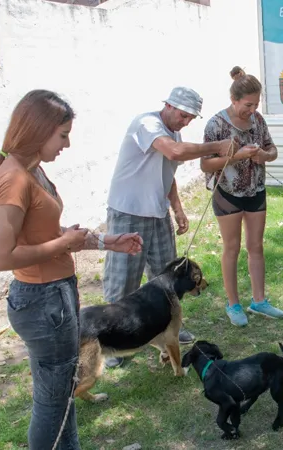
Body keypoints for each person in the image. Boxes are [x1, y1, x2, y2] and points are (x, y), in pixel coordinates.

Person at [0, 90, 143, 449]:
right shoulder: (14, 179)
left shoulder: (33, 171)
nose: (67, 144)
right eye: (62, 135)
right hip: (43, 303)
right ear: (38, 131)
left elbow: (54, 234)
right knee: (53, 404)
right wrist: (63, 244)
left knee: (62, 396)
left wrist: (107, 242)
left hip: (54, 298)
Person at [103, 86, 233, 367]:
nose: (185, 122)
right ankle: (113, 341)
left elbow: (167, 172)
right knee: (123, 279)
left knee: (168, 277)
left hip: (157, 213)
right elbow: (174, 153)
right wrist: (216, 146)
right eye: (184, 116)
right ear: (169, 106)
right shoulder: (147, 124)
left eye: (190, 119)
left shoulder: (172, 132)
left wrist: (177, 208)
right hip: (128, 212)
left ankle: (168, 328)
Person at [200, 67, 283, 326]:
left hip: (256, 190)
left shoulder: (258, 120)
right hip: (227, 193)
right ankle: (233, 304)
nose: (252, 109)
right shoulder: (216, 124)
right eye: (248, 104)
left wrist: (265, 156)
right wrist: (237, 156)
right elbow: (205, 164)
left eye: (256, 104)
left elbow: (272, 148)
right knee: (232, 248)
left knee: (256, 247)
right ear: (234, 100)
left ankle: (259, 301)